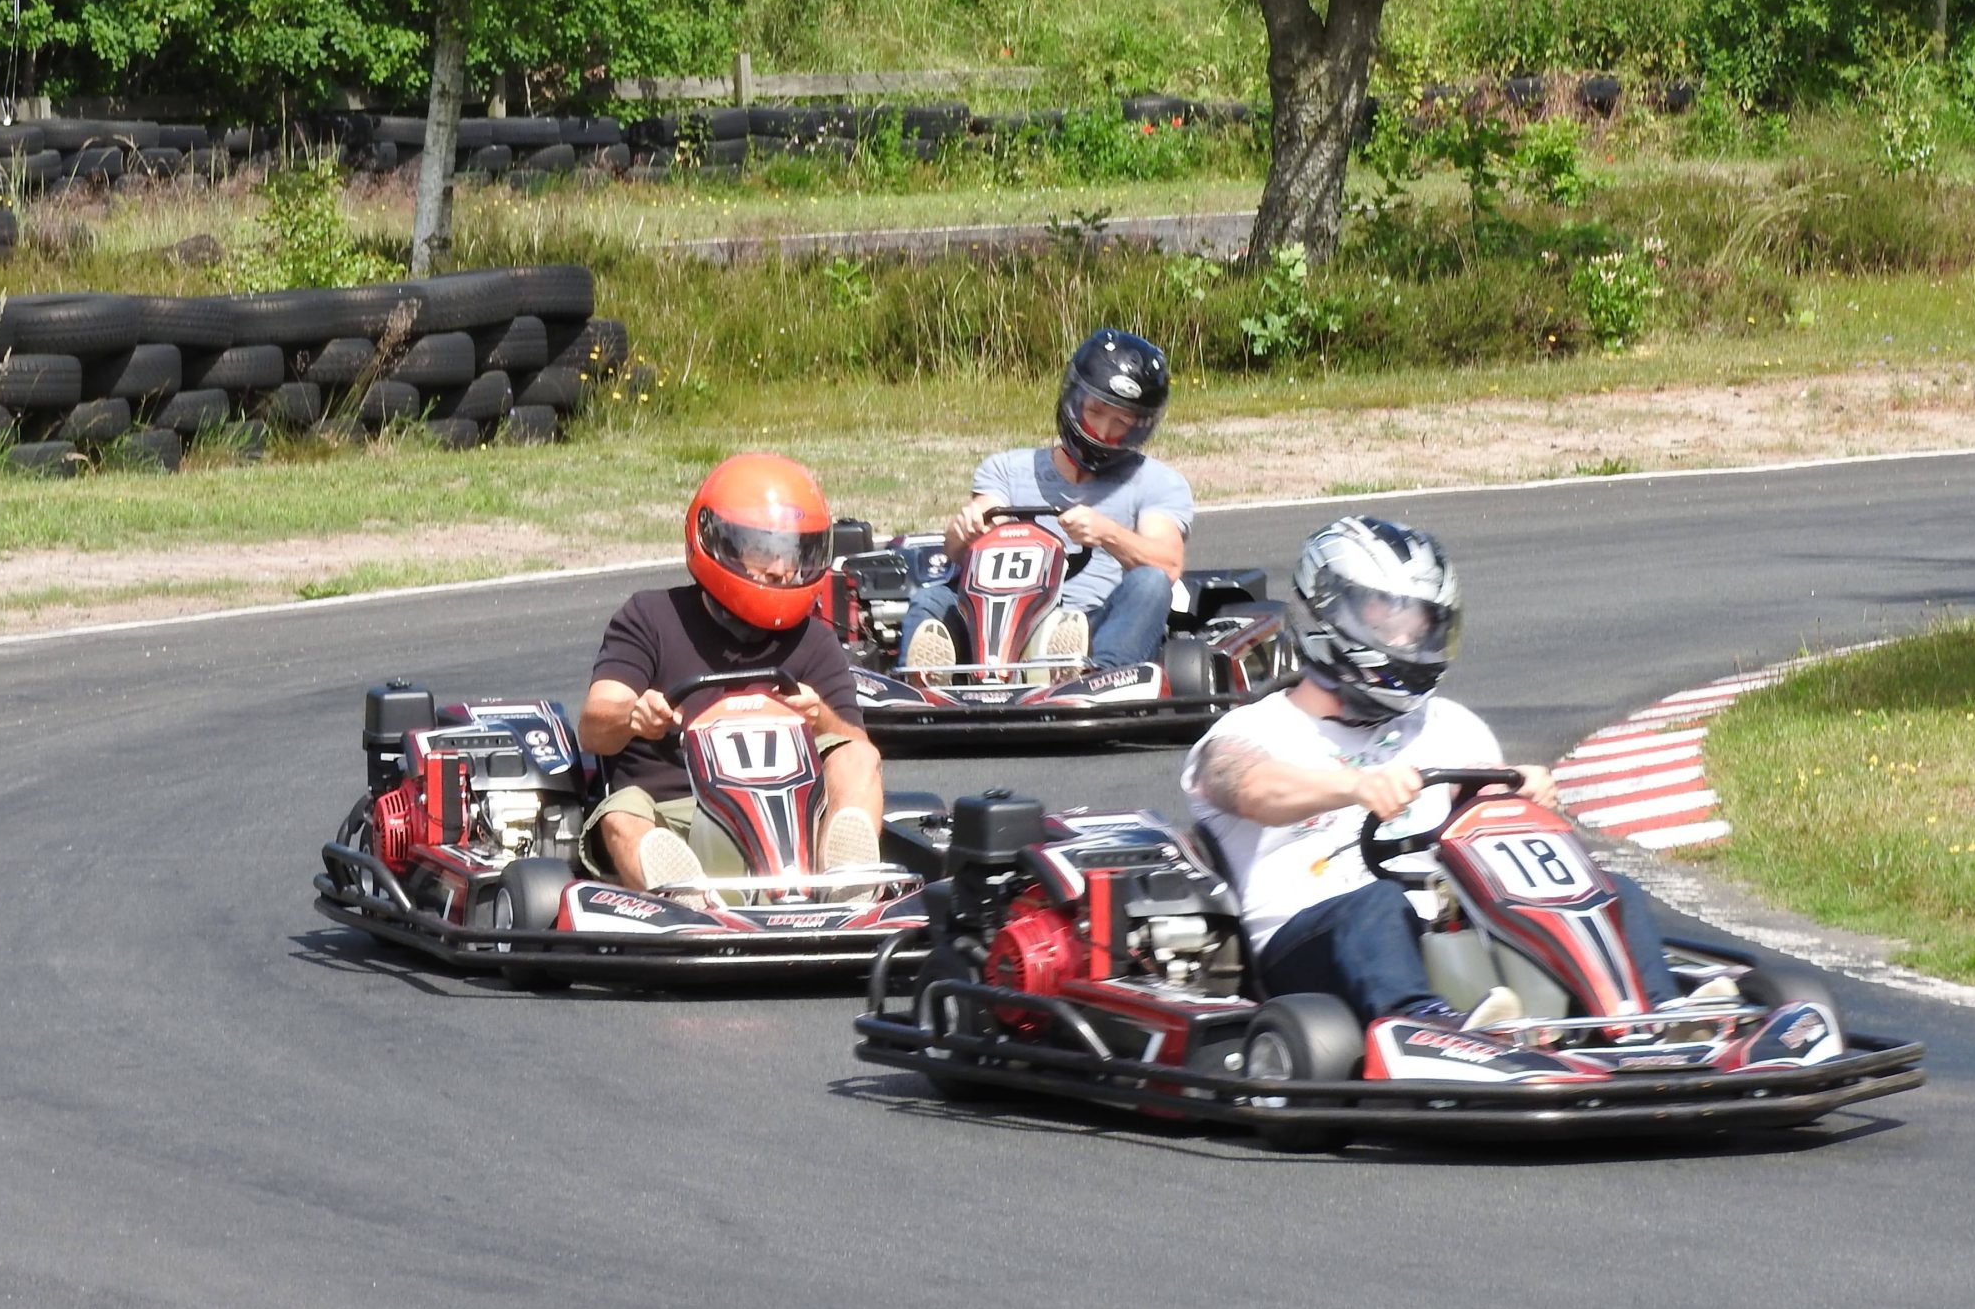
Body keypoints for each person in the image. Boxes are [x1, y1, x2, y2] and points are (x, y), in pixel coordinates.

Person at [1181, 515, 1719, 1028]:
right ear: (1328, 612)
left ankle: (1652, 1015)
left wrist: (1526, 797)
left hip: (1448, 923)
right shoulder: (1249, 733)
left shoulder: (1449, 724)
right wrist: (1352, 786)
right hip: (1311, 940)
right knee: (1377, 905)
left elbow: (1489, 827)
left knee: (1607, 888)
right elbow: (1252, 789)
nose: (1409, 635)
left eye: (1421, 620)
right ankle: (1422, 1022)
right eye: (1386, 614)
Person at [579, 452, 885, 891]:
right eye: (765, 550)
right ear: (717, 543)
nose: (782, 569)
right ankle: (684, 898)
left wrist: (822, 720)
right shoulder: (651, 617)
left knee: (859, 756)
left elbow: (860, 755)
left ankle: (846, 885)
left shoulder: (813, 640)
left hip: (792, 818)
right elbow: (593, 726)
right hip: (678, 816)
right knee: (621, 813)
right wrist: (633, 716)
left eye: (794, 552)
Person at [897, 329, 1193, 673]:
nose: (1102, 430)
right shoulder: (1006, 469)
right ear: (1075, 399)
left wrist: (1107, 533)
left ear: (1139, 428)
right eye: (1096, 411)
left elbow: (1168, 563)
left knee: (1151, 583)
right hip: (997, 623)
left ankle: (1095, 676)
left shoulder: (1158, 482)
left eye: (1120, 422)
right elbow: (956, 550)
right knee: (931, 599)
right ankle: (923, 687)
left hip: (1091, 625)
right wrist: (967, 528)